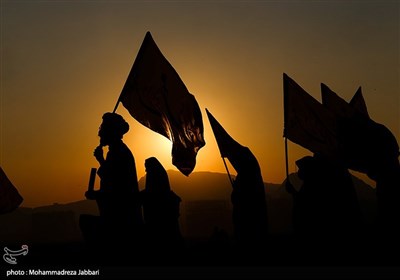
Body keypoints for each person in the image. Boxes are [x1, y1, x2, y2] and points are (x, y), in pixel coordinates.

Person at [80, 112, 143, 252]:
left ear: (110, 132)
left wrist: (101, 161)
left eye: (102, 129)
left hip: (122, 218)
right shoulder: (116, 151)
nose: (99, 133)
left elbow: (117, 187)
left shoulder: (119, 152)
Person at [140, 157, 184, 256]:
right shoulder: (159, 180)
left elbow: (151, 193)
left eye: (147, 168)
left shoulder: (156, 185)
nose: (146, 171)